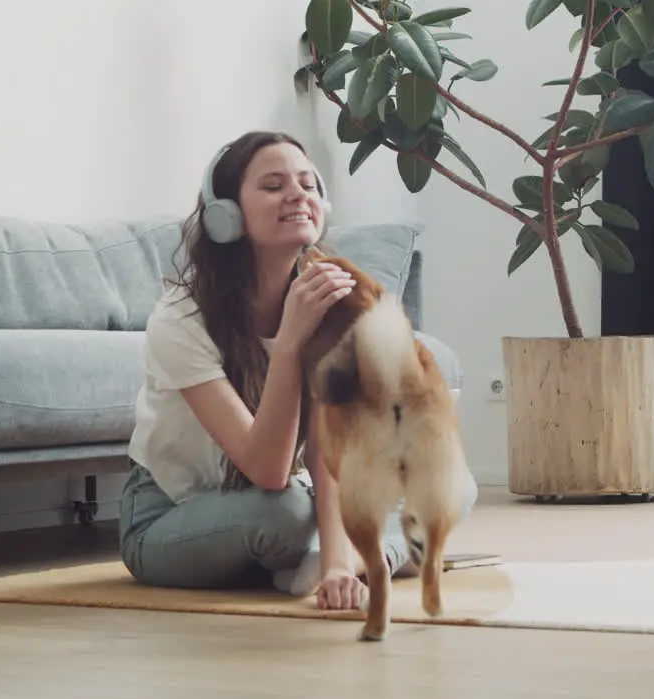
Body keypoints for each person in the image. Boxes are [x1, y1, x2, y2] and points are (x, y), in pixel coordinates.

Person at [117, 130, 475, 611]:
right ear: (226, 214)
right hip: (168, 517)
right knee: (286, 512)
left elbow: (330, 450)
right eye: (273, 185)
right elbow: (268, 470)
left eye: (308, 184)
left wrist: (335, 565)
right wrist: (288, 344)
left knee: (451, 486)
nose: (298, 196)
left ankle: (342, 561)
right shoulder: (181, 319)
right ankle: (378, 555)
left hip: (282, 502)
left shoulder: (326, 297)